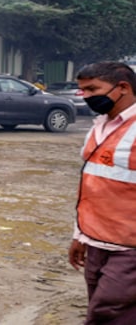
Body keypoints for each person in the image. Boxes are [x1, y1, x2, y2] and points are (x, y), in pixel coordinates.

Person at [68, 61, 136, 324]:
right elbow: (91, 186)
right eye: (82, 90)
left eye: (92, 89)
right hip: (96, 242)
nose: (85, 96)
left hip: (129, 249)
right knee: (105, 309)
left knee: (105, 313)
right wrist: (79, 235)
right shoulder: (99, 127)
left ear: (122, 88)